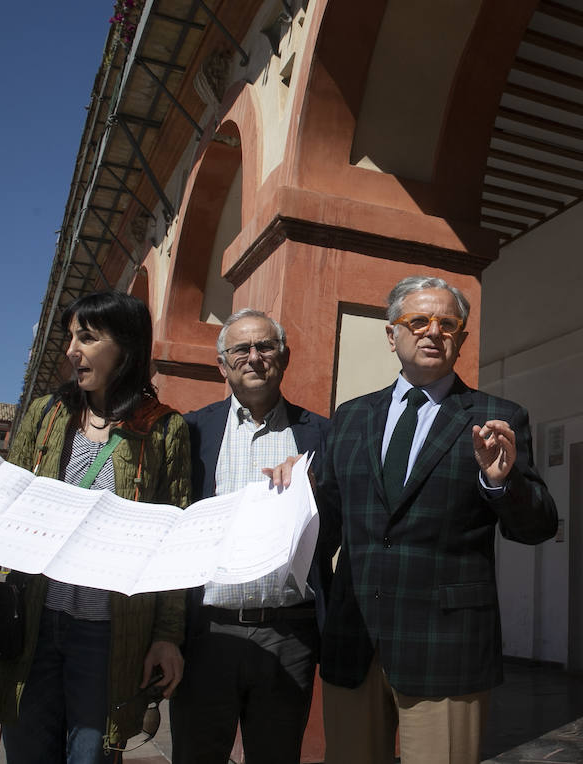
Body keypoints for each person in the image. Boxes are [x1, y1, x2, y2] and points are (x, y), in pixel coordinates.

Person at [0, 291, 192, 763]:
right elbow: (8, 503)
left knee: (90, 754)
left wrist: (167, 636)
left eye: (88, 338)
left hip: (110, 632)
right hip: (34, 623)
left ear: (127, 346)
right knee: (29, 751)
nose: (72, 350)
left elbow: (171, 544)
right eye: (70, 337)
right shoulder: (45, 414)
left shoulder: (163, 430)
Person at [317, 276, 558, 764]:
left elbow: (538, 526)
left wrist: (499, 482)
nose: (433, 332)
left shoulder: (497, 417)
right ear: (392, 335)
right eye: (419, 320)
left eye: (448, 324)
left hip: (445, 645)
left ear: (462, 340)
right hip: (354, 639)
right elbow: (324, 524)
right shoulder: (350, 418)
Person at [171, 308, 330, 764]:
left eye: (266, 347)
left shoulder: (321, 434)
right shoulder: (192, 430)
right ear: (222, 364)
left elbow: (337, 529)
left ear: (285, 357)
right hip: (208, 633)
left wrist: (317, 494)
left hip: (288, 632)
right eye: (241, 348)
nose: (254, 357)